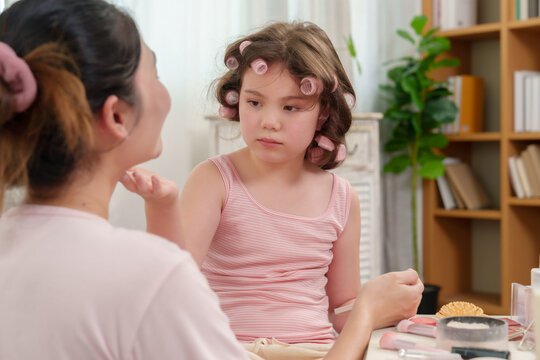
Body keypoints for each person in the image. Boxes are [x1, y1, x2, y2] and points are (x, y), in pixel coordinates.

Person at [124, 22, 424, 360]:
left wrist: (385, 305)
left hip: (318, 351)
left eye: (290, 107)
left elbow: (341, 312)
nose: (269, 120)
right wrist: (159, 207)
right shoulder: (215, 180)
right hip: (231, 349)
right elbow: (173, 286)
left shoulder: (341, 198)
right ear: (238, 100)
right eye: (255, 102)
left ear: (323, 112)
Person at [0, 0, 249, 359]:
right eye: (156, 74)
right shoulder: (150, 277)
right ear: (117, 115)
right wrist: (360, 319)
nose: (165, 95)